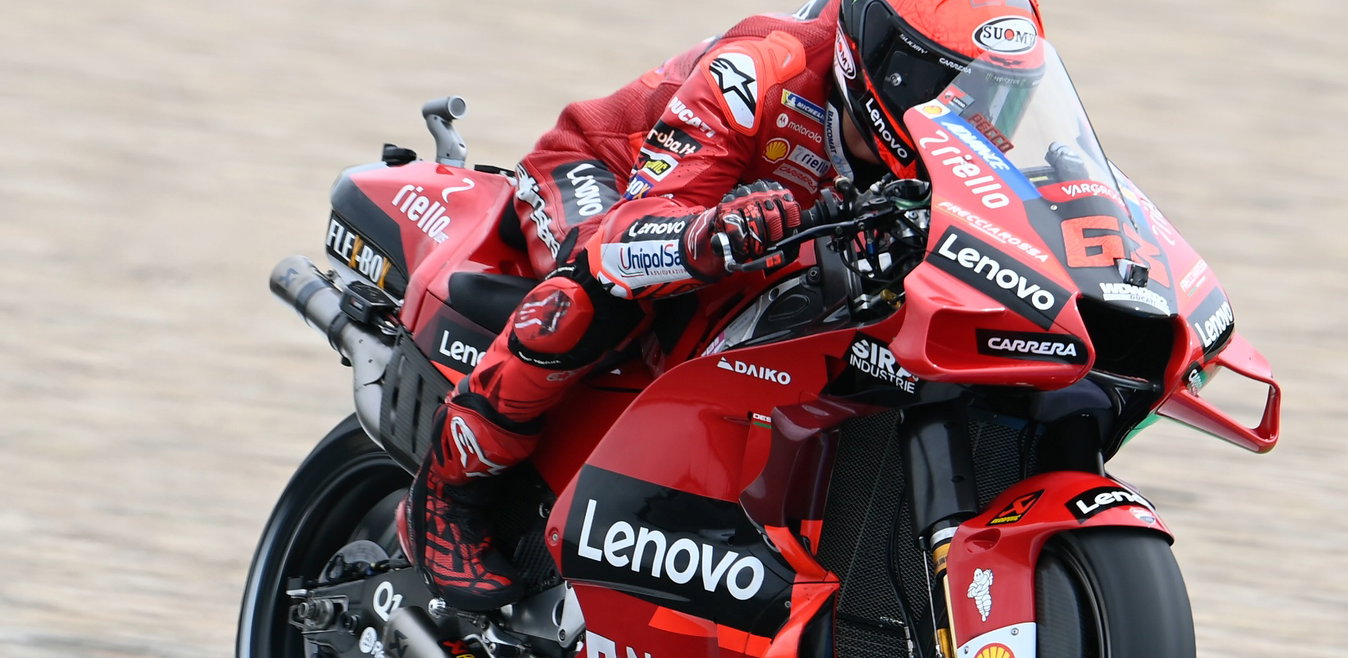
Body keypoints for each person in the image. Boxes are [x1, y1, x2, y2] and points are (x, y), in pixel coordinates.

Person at [404, 0, 1047, 611]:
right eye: (956, 86)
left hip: (763, 234)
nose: (978, 114)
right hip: (607, 174)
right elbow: (627, 238)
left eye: (1001, 94)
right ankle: (447, 491)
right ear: (883, 62)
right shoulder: (761, 67)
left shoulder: (950, 141)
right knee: (599, 292)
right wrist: (707, 234)